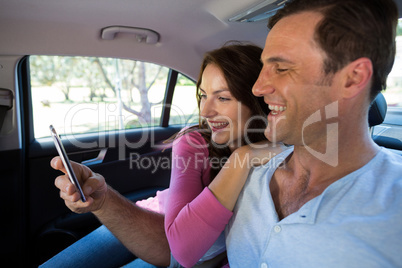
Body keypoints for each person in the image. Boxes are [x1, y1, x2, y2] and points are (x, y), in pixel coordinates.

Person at [41, 43, 285, 267]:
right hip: (154, 217)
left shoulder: (283, 156)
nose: (206, 111)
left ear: (258, 102)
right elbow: (180, 243)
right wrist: (241, 159)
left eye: (222, 98)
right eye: (202, 95)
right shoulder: (194, 142)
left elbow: (186, 250)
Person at [221, 0, 402, 267]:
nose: (258, 88)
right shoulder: (248, 177)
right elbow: (185, 251)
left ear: (352, 79)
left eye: (282, 68)